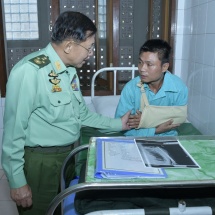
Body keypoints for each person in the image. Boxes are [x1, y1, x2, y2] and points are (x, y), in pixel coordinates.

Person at [1, 11, 131, 215]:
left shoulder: (69, 71)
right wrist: (17, 181)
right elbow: (12, 133)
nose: (90, 54)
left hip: (68, 157)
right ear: (69, 46)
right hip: (42, 164)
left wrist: (119, 124)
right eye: (89, 48)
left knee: (62, 209)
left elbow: (82, 115)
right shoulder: (29, 72)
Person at [116, 39, 188, 136]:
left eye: (149, 64)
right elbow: (121, 127)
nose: (142, 69)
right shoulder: (131, 88)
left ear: (164, 67)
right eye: (140, 62)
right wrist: (155, 130)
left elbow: (179, 119)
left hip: (169, 139)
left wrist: (145, 120)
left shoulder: (178, 88)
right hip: (136, 140)